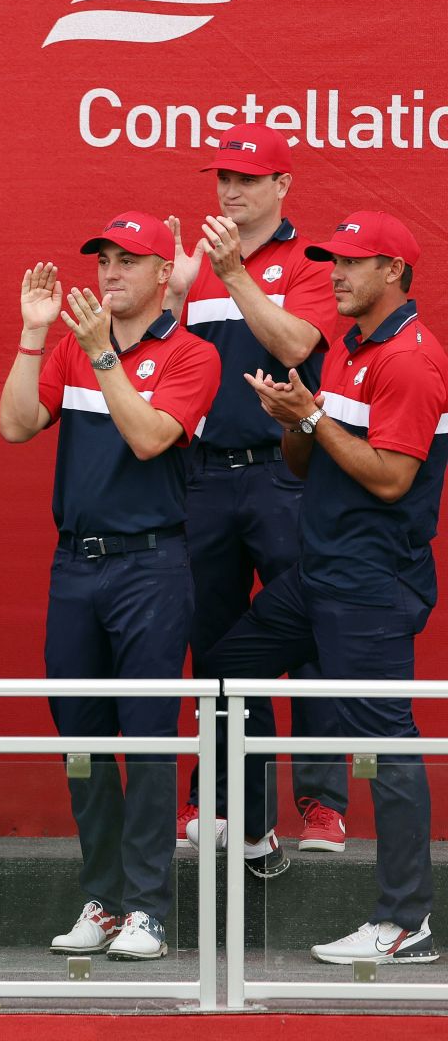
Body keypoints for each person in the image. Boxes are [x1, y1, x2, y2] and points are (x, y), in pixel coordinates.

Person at [204, 211, 447, 966]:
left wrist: (308, 413)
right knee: (230, 669)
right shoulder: (346, 350)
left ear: (395, 275)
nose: (336, 274)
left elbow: (390, 478)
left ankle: (406, 920)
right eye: (332, 261)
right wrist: (293, 419)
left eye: (353, 263)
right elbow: (311, 465)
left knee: (387, 743)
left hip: (372, 584)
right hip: (321, 574)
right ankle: (253, 827)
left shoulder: (409, 358)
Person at [0, 212, 222, 962]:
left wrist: (102, 360)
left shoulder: (191, 355)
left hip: (151, 566)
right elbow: (16, 426)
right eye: (104, 260)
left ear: (167, 275)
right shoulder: (70, 345)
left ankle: (149, 910)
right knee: (84, 741)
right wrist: (34, 336)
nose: (110, 273)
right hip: (76, 567)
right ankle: (104, 900)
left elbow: (150, 438)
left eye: (130, 261)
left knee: (150, 741)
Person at [164, 122, 346, 856]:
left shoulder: (311, 261)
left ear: (282, 187)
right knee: (216, 644)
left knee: (308, 638)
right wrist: (180, 293)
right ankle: (228, 806)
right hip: (206, 474)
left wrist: (234, 272)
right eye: (222, 179)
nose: (231, 191)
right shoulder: (202, 266)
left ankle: (323, 806)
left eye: (246, 179)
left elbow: (301, 346)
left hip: (287, 475)